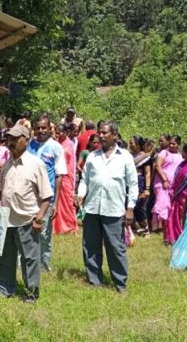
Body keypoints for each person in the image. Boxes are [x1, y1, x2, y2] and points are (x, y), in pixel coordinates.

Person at [76, 121, 137, 293]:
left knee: (116, 248)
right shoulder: (93, 157)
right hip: (92, 208)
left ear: (115, 136)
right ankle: (94, 281)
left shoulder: (125, 157)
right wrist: (80, 194)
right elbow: (84, 180)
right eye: (99, 133)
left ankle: (120, 284)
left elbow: (133, 185)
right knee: (91, 246)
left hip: (114, 210)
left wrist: (130, 208)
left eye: (104, 133)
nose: (100, 136)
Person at [0, 124, 53, 303]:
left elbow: (46, 196)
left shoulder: (36, 164)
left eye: (15, 138)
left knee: (30, 259)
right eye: (9, 139)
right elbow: (1, 191)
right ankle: (5, 288)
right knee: (5, 257)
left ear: (26, 141)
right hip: (6, 219)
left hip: (27, 220)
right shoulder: (7, 163)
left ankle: (31, 293)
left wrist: (39, 218)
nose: (11, 142)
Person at [27, 116, 67, 272]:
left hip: (46, 198)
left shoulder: (56, 147)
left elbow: (59, 175)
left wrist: (55, 203)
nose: (41, 131)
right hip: (28, 196)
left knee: (43, 233)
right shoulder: (29, 145)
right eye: (38, 128)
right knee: (24, 230)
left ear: (50, 128)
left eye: (44, 128)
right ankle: (23, 262)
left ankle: (43, 265)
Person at [165, 143, 187, 245]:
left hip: (186, 194)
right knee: (173, 215)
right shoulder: (183, 163)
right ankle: (173, 237)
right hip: (177, 194)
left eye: (183, 151)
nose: (181, 153)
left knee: (182, 215)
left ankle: (183, 236)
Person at [152, 135, 183, 232]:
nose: (172, 145)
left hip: (173, 184)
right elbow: (158, 166)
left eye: (174, 144)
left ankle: (164, 226)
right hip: (161, 182)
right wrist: (164, 180)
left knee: (168, 204)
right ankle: (155, 226)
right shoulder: (164, 153)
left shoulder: (180, 155)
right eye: (170, 143)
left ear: (179, 145)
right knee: (160, 202)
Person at [54, 124, 78, 235]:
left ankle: (70, 225)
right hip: (57, 176)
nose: (58, 135)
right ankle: (57, 226)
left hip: (66, 177)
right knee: (57, 202)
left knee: (67, 202)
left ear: (66, 133)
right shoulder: (56, 144)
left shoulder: (69, 145)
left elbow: (69, 162)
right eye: (57, 133)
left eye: (60, 133)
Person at [129, 135, 152, 235]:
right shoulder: (128, 156)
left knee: (139, 206)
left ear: (138, 145)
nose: (130, 145)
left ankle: (145, 229)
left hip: (140, 183)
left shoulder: (145, 157)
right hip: (129, 183)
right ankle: (134, 228)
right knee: (130, 205)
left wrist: (147, 188)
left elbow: (147, 173)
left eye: (131, 143)